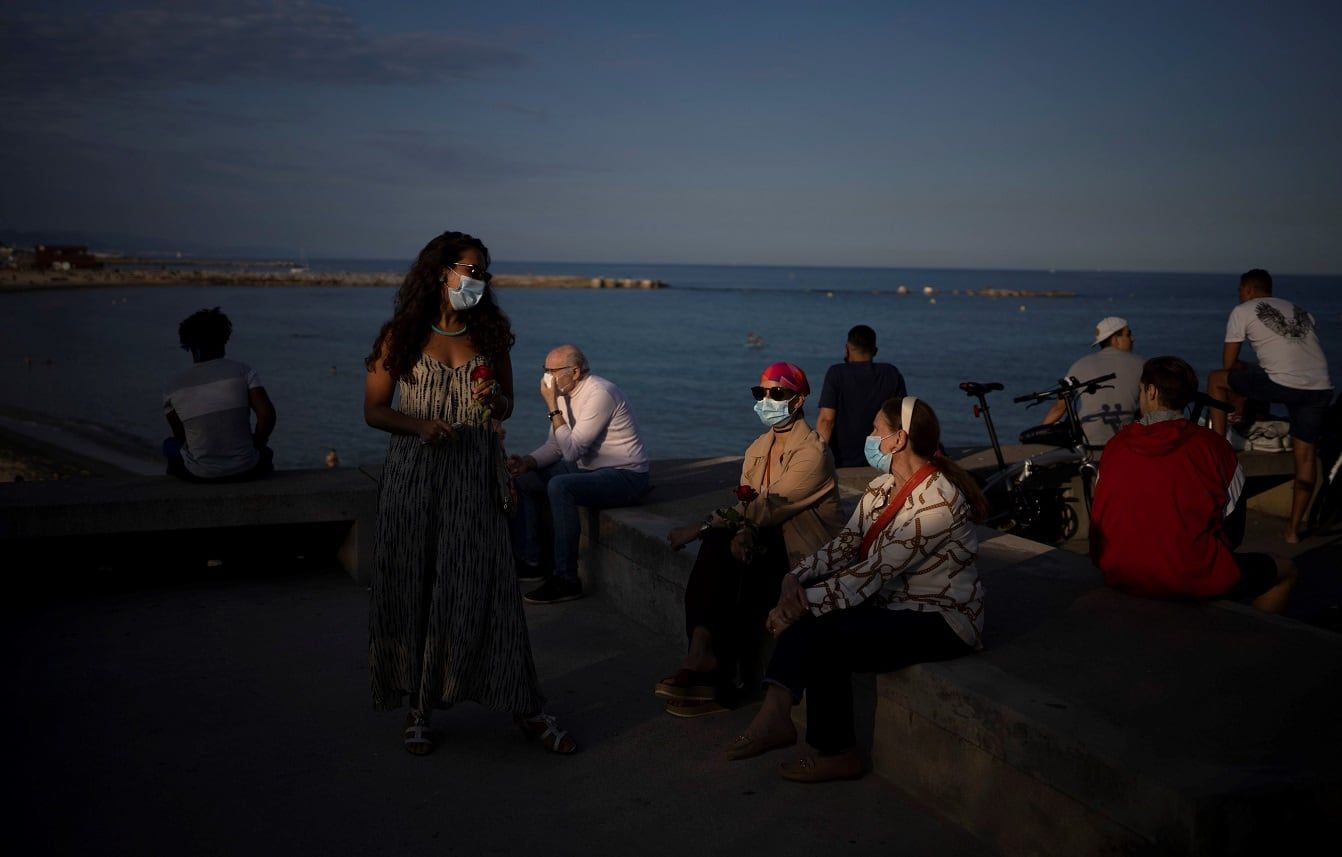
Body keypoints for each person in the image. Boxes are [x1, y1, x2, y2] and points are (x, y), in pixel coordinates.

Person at [363, 230, 574, 756]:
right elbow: (374, 410)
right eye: (470, 270)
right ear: (441, 271)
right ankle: (419, 708)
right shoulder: (400, 336)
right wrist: (419, 427)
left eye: (483, 273)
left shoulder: (491, 335)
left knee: (490, 589)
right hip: (415, 482)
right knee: (417, 587)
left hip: (474, 482)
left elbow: (506, 407)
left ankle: (523, 703)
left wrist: (494, 397)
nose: (478, 280)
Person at [727, 396, 987, 782]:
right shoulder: (883, 487)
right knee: (812, 605)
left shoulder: (939, 502)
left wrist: (798, 605)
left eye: (875, 430)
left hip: (940, 619)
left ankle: (837, 753)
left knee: (825, 634)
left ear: (897, 440)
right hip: (892, 603)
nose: (870, 436)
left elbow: (873, 573)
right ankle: (776, 715)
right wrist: (796, 577)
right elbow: (847, 544)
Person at [659, 362, 844, 715]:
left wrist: (697, 529)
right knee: (726, 550)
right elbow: (749, 512)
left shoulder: (812, 453)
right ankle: (702, 657)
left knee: (725, 554)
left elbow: (767, 508)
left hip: (805, 556)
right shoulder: (758, 448)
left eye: (778, 393)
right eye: (761, 393)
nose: (768, 400)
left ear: (799, 399)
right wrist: (740, 533)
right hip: (767, 544)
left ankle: (712, 671)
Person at [1091, 356, 1295, 613]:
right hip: (1186, 577)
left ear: (1151, 391)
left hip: (1119, 571)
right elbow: (1234, 532)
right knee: (1286, 570)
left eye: (1141, 389)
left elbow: (1102, 514)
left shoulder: (1115, 446)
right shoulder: (1215, 448)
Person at [508, 344, 650, 604]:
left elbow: (572, 451)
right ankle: (532, 561)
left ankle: (567, 579)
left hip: (626, 476)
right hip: (589, 470)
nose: (547, 377)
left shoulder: (600, 393)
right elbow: (556, 445)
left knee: (561, 487)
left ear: (574, 372)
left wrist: (552, 406)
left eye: (553, 371)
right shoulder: (563, 394)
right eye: (544, 370)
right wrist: (528, 462)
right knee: (524, 479)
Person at [1207, 269, 1333, 543]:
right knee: (1306, 457)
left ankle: (1218, 449)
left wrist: (1243, 370)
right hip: (1319, 387)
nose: (1239, 295)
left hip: (1282, 383)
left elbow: (1229, 365)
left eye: (1240, 290)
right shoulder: (1300, 311)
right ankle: (1292, 531)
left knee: (1216, 379)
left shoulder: (1243, 310)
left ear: (1248, 289)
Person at [163, 307, 276, 482]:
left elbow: (182, 436)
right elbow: (267, 415)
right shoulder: (244, 371)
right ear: (224, 340)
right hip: (246, 469)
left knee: (169, 445)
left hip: (200, 475)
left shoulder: (173, 387)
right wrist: (258, 442)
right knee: (266, 454)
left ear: (188, 345)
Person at [1038, 316, 1145, 447]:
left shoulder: (1079, 365)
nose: (1133, 338)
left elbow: (1059, 408)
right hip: (1125, 443)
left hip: (1088, 443)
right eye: (1128, 334)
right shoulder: (1143, 365)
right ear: (1115, 340)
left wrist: (1039, 435)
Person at [816, 325, 907, 467]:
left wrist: (818, 458)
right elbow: (902, 417)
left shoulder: (836, 373)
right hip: (880, 457)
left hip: (841, 459)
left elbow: (826, 420)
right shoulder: (890, 373)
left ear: (847, 348)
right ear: (875, 350)